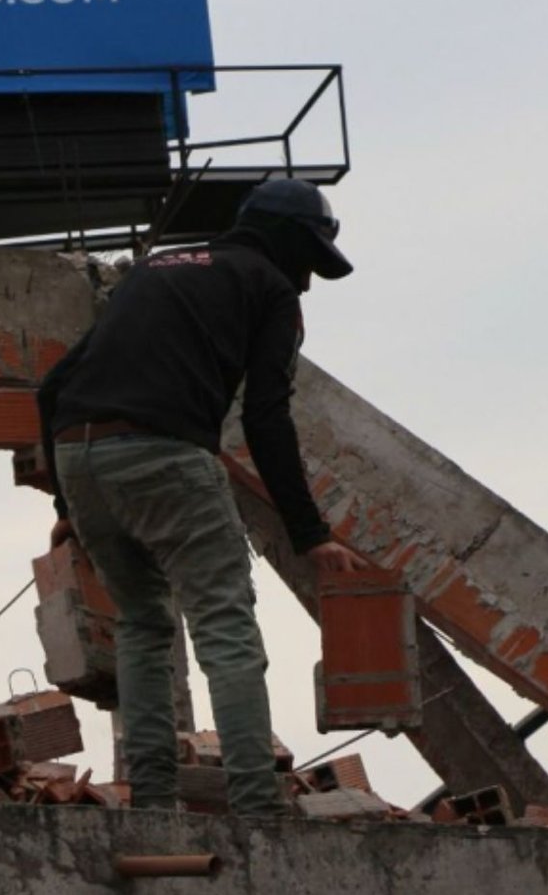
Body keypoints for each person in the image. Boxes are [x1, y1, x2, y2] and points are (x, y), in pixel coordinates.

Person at [37, 177, 366, 818]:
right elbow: (268, 418)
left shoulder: (153, 270)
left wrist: (65, 509)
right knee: (225, 625)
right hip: (165, 453)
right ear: (286, 242)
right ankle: (256, 811)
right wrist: (310, 533)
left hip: (80, 456)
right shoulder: (269, 289)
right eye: (308, 265)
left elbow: (53, 388)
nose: (305, 284)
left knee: (143, 625)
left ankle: (153, 806)